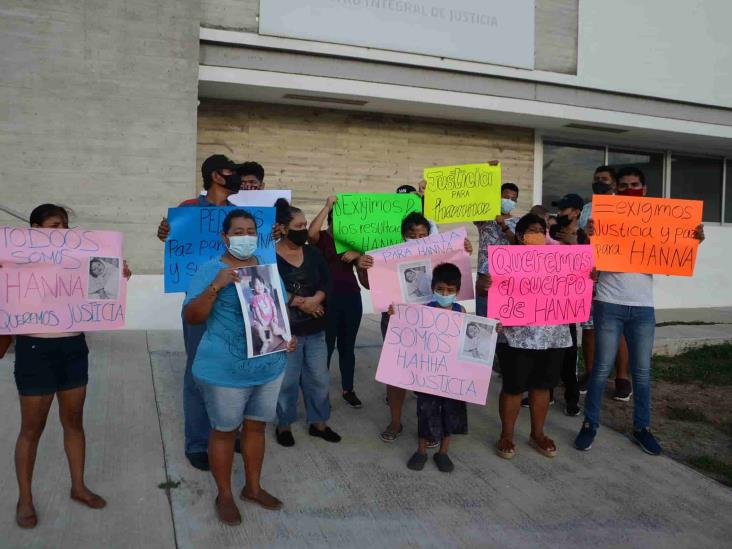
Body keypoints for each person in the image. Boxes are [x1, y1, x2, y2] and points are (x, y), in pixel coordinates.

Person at [12, 204, 132, 529]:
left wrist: (117, 276)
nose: (62, 231)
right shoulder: (15, 262)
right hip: (34, 347)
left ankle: (78, 486)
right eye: (54, 225)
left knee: (74, 422)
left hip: (73, 346)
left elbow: (100, 295)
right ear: (35, 229)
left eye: (65, 225)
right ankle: (25, 498)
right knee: (31, 428)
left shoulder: (80, 261)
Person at [575, 167, 706, 456]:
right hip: (608, 303)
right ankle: (589, 424)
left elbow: (676, 253)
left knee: (643, 373)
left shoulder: (660, 220)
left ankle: (642, 428)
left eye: (634, 185)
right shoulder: (600, 217)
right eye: (623, 185)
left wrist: (693, 239)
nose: (629, 189)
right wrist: (589, 238)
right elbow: (587, 266)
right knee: (599, 370)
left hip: (643, 307)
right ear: (616, 189)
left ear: (644, 189)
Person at [183, 209, 295, 525]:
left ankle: (253, 487)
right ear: (225, 236)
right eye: (238, 231)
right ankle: (225, 494)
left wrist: (288, 337)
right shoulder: (211, 270)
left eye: (250, 231)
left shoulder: (266, 270)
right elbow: (192, 317)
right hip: (225, 371)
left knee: (256, 426)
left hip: (269, 366)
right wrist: (216, 286)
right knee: (224, 431)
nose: (245, 237)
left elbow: (277, 314)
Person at [156, 154, 242, 471]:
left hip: (237, 304)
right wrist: (166, 233)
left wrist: (271, 236)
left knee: (235, 369)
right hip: (201, 303)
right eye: (231, 171)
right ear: (216, 176)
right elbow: (175, 246)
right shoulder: (189, 210)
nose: (236, 177)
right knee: (199, 372)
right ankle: (197, 442)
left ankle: (230, 433)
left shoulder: (240, 215)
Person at [357, 212, 472, 444]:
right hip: (398, 320)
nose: (417, 238)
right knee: (396, 373)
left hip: (433, 322)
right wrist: (362, 267)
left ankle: (431, 426)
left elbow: (455, 274)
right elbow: (371, 285)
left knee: (431, 373)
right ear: (403, 235)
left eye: (422, 234)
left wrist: (464, 249)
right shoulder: (389, 256)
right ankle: (396, 421)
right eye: (412, 235)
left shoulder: (440, 254)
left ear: (430, 235)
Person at [490, 213, 572, 460]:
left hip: (553, 335)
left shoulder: (561, 260)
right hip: (518, 336)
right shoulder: (506, 260)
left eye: (541, 230)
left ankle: (538, 433)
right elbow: (489, 284)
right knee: (513, 387)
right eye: (532, 230)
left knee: (543, 385)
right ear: (519, 236)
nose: (538, 234)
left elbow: (577, 281)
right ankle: (506, 435)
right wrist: (488, 285)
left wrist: (588, 276)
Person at [274, 199, 341, 446]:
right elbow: (268, 289)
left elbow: (327, 281)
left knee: (319, 378)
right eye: (299, 225)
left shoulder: (312, 253)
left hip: (315, 331)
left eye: (305, 224)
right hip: (285, 333)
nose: (304, 229)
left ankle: (319, 423)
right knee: (286, 382)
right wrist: (303, 302)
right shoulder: (269, 256)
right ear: (282, 228)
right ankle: (284, 425)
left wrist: (318, 298)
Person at [394, 263, 468, 473]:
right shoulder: (425, 310)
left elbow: (468, 338)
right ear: (433, 288)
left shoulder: (460, 310)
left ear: (457, 291)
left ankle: (443, 452)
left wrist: (491, 330)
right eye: (441, 289)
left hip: (452, 375)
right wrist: (395, 314)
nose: (445, 294)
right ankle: (421, 450)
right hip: (428, 375)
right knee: (425, 411)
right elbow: (408, 332)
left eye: (450, 291)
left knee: (450, 413)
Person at [577, 166, 631, 401]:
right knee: (589, 328)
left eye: (605, 179)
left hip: (615, 278)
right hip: (590, 277)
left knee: (616, 330)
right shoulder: (587, 209)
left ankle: (621, 377)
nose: (600, 182)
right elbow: (581, 241)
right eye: (596, 179)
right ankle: (590, 373)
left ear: (615, 183)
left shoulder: (626, 207)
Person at [308, 196, 364, 408]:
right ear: (331, 221)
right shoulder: (321, 238)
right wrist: (327, 206)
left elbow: (365, 264)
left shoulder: (351, 241)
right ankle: (320, 391)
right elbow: (310, 234)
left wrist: (358, 254)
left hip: (351, 297)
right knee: (327, 346)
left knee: (347, 346)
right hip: (327, 298)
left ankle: (348, 389)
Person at [474, 182, 520, 317]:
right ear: (498, 197)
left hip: (508, 277)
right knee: (484, 317)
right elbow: (473, 202)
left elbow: (518, 244)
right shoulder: (484, 218)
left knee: (505, 317)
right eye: (506, 197)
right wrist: (490, 173)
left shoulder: (518, 222)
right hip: (485, 276)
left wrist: (503, 225)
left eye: (513, 199)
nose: (509, 201)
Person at [249, 274, 286, 355]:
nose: (259, 286)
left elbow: (273, 306)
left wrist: (275, 316)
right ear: (253, 287)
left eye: (261, 284)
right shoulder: (255, 299)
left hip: (270, 318)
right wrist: (261, 320)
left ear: (263, 284)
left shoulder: (267, 295)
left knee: (275, 329)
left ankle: (283, 332)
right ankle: (266, 343)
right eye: (256, 284)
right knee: (263, 331)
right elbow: (257, 311)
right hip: (261, 320)